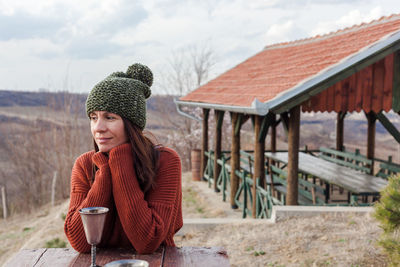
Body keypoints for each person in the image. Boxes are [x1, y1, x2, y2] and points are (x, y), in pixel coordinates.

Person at [64, 63, 183, 254]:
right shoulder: (85, 165)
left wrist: (120, 160)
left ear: (132, 123)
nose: (98, 128)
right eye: (93, 117)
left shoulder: (165, 162)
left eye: (109, 117)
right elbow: (81, 242)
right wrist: (104, 172)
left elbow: (147, 241)